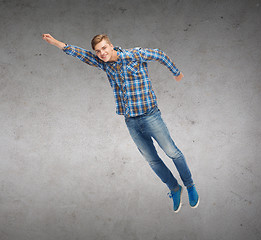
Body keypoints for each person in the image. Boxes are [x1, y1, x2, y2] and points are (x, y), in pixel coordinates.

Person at [42, 33, 199, 213]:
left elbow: (160, 55)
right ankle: (174, 188)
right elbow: (82, 55)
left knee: (172, 152)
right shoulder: (104, 63)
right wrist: (56, 43)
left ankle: (190, 185)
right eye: (98, 51)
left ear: (111, 46)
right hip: (131, 121)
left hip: (150, 115)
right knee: (152, 161)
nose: (102, 53)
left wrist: (176, 73)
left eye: (104, 48)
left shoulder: (135, 54)